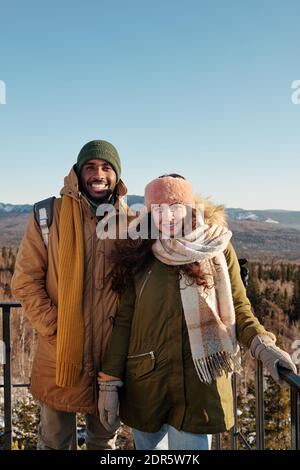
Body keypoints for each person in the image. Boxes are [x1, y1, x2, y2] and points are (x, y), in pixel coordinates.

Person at [98, 174, 297, 451]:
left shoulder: (217, 248)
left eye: (175, 206)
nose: (166, 216)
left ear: (190, 207)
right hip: (147, 383)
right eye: (158, 209)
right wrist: (109, 382)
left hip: (198, 386)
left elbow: (239, 307)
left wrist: (262, 346)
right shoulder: (139, 252)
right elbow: (124, 321)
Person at [11, 140, 129, 450]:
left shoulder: (130, 222)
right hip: (59, 352)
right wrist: (56, 327)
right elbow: (25, 282)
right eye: (90, 167)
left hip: (110, 358)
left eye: (106, 168)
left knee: (104, 443)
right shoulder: (48, 215)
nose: (98, 174)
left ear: (117, 175)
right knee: (54, 442)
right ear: (78, 173)